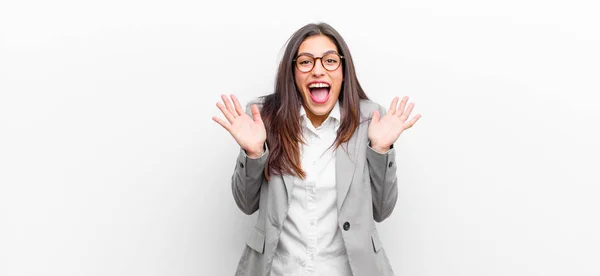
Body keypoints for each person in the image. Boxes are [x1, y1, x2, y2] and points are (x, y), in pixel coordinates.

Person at [212, 22, 421, 276]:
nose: (318, 71)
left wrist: (380, 149)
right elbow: (246, 204)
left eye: (330, 61)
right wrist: (254, 153)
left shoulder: (371, 120)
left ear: (344, 71)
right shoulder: (263, 117)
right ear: (293, 73)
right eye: (306, 62)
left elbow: (382, 210)